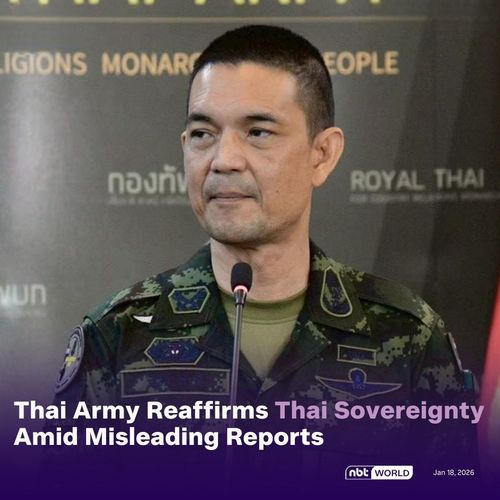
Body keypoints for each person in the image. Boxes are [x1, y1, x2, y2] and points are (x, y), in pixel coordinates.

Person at [50, 25, 477, 487]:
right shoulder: (116, 338)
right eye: (203, 134)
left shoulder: (408, 336)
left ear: (322, 154)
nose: (224, 159)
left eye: (257, 132)